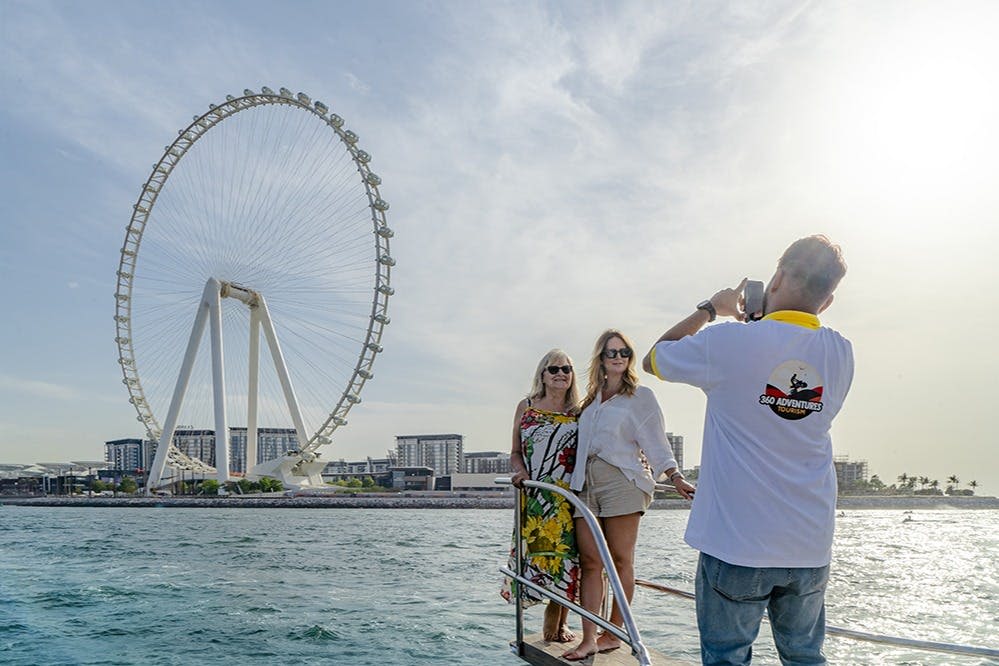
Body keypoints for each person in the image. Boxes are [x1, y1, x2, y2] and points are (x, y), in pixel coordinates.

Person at [642, 235, 853, 665]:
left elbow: (654, 358)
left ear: (775, 277)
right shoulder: (841, 353)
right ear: (827, 301)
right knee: (805, 656)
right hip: (809, 545)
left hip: (737, 543)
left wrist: (711, 309)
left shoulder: (727, 342)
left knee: (726, 658)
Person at [562, 329, 694, 662]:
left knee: (621, 560)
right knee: (590, 563)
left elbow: (656, 442)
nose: (618, 357)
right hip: (584, 484)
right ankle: (589, 637)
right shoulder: (589, 401)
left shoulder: (641, 396)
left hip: (622, 481)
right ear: (601, 359)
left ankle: (612, 634)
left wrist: (674, 476)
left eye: (624, 352)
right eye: (611, 353)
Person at [502, 349, 581, 643]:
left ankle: (558, 621)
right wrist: (520, 472)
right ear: (543, 375)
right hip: (537, 498)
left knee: (567, 558)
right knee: (541, 556)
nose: (561, 373)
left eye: (567, 369)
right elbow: (515, 452)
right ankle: (552, 621)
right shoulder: (527, 406)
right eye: (554, 369)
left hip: (570, 496)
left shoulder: (579, 411)